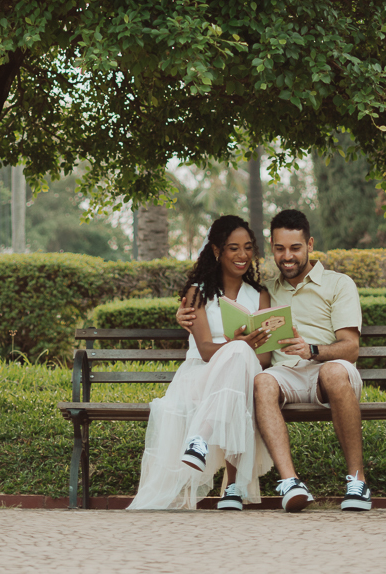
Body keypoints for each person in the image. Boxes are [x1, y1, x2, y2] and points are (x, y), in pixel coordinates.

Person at [177, 207, 370, 513]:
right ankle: (291, 482)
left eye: (295, 248)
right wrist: (182, 316)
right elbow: (211, 307)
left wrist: (312, 350)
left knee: (333, 372)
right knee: (262, 382)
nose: (287, 256)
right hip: (285, 374)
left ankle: (357, 481)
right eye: (279, 249)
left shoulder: (338, 284)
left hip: (329, 369)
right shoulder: (268, 289)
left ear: (310, 245)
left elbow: (351, 348)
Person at [128, 215, 274, 511]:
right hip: (200, 376)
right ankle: (233, 488)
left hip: (243, 375)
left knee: (240, 364)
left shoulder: (259, 295)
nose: (243, 255)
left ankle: (199, 440)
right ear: (217, 250)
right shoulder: (198, 293)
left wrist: (240, 349)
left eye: (248, 247)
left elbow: (264, 357)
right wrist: (238, 346)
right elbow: (206, 350)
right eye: (233, 248)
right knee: (237, 358)